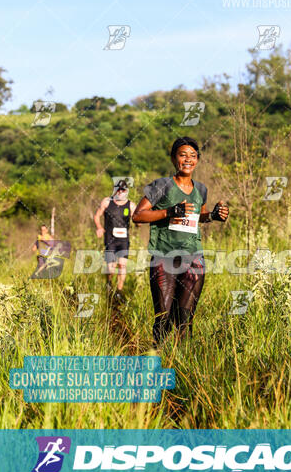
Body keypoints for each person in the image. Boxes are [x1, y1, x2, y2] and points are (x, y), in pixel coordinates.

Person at [132, 137, 229, 346]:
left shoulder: (201, 189)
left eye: (193, 156)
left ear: (197, 160)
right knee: (163, 318)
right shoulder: (162, 185)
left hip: (193, 257)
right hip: (164, 258)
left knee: (185, 321)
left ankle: (183, 367)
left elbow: (199, 215)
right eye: (183, 154)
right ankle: (156, 364)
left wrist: (213, 215)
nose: (188, 159)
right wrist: (168, 211)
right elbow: (138, 215)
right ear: (174, 158)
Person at [94, 179, 138, 302]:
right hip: (110, 239)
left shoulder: (131, 205)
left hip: (123, 240)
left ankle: (119, 291)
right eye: (118, 189)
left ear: (126, 191)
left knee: (122, 265)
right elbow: (97, 215)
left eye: (123, 189)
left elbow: (137, 218)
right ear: (115, 189)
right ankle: (108, 283)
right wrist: (99, 227)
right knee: (111, 268)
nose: (120, 191)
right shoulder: (107, 202)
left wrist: (138, 223)